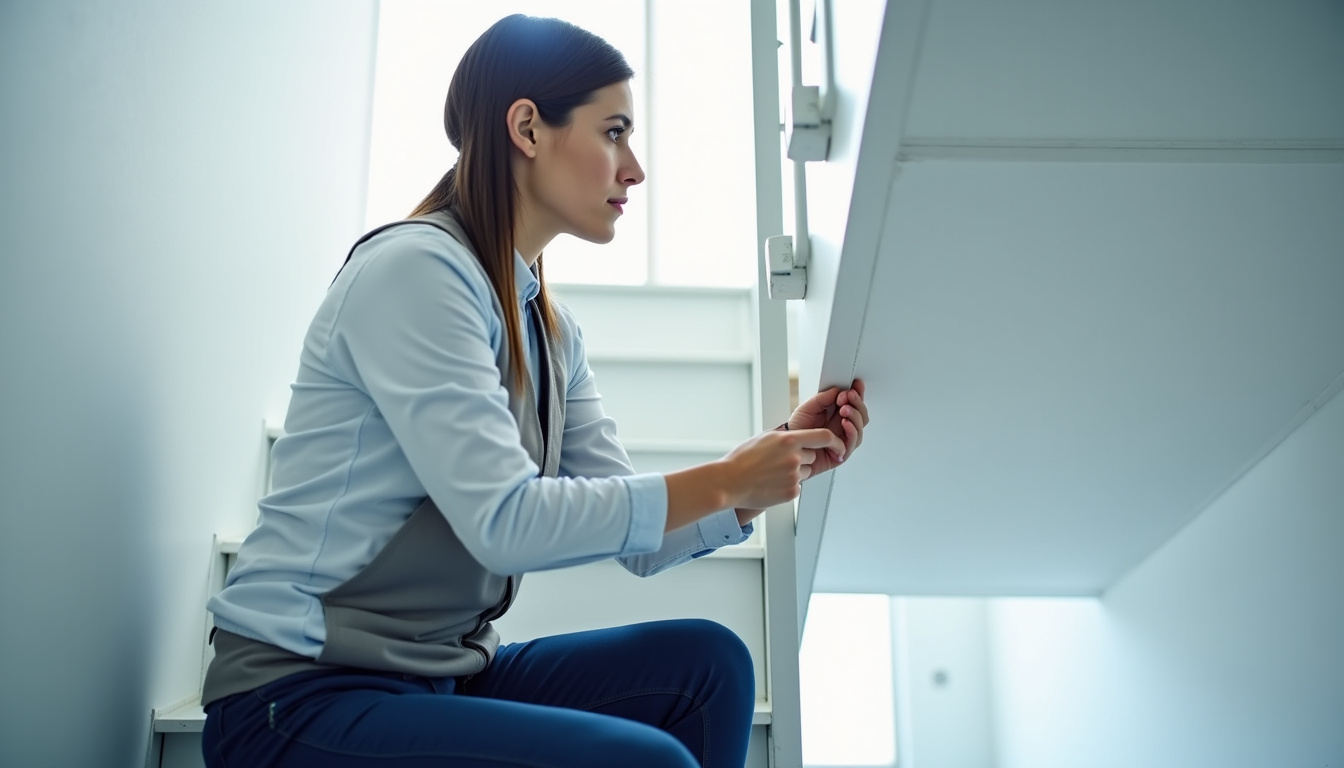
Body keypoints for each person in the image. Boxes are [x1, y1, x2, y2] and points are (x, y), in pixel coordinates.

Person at [201, 14, 869, 768]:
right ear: (527, 127)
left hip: (444, 677)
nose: (635, 169)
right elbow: (505, 523)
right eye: (614, 131)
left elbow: (637, 537)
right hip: (298, 697)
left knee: (709, 666)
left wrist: (766, 473)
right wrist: (720, 479)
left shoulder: (548, 331)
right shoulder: (416, 272)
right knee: (644, 761)